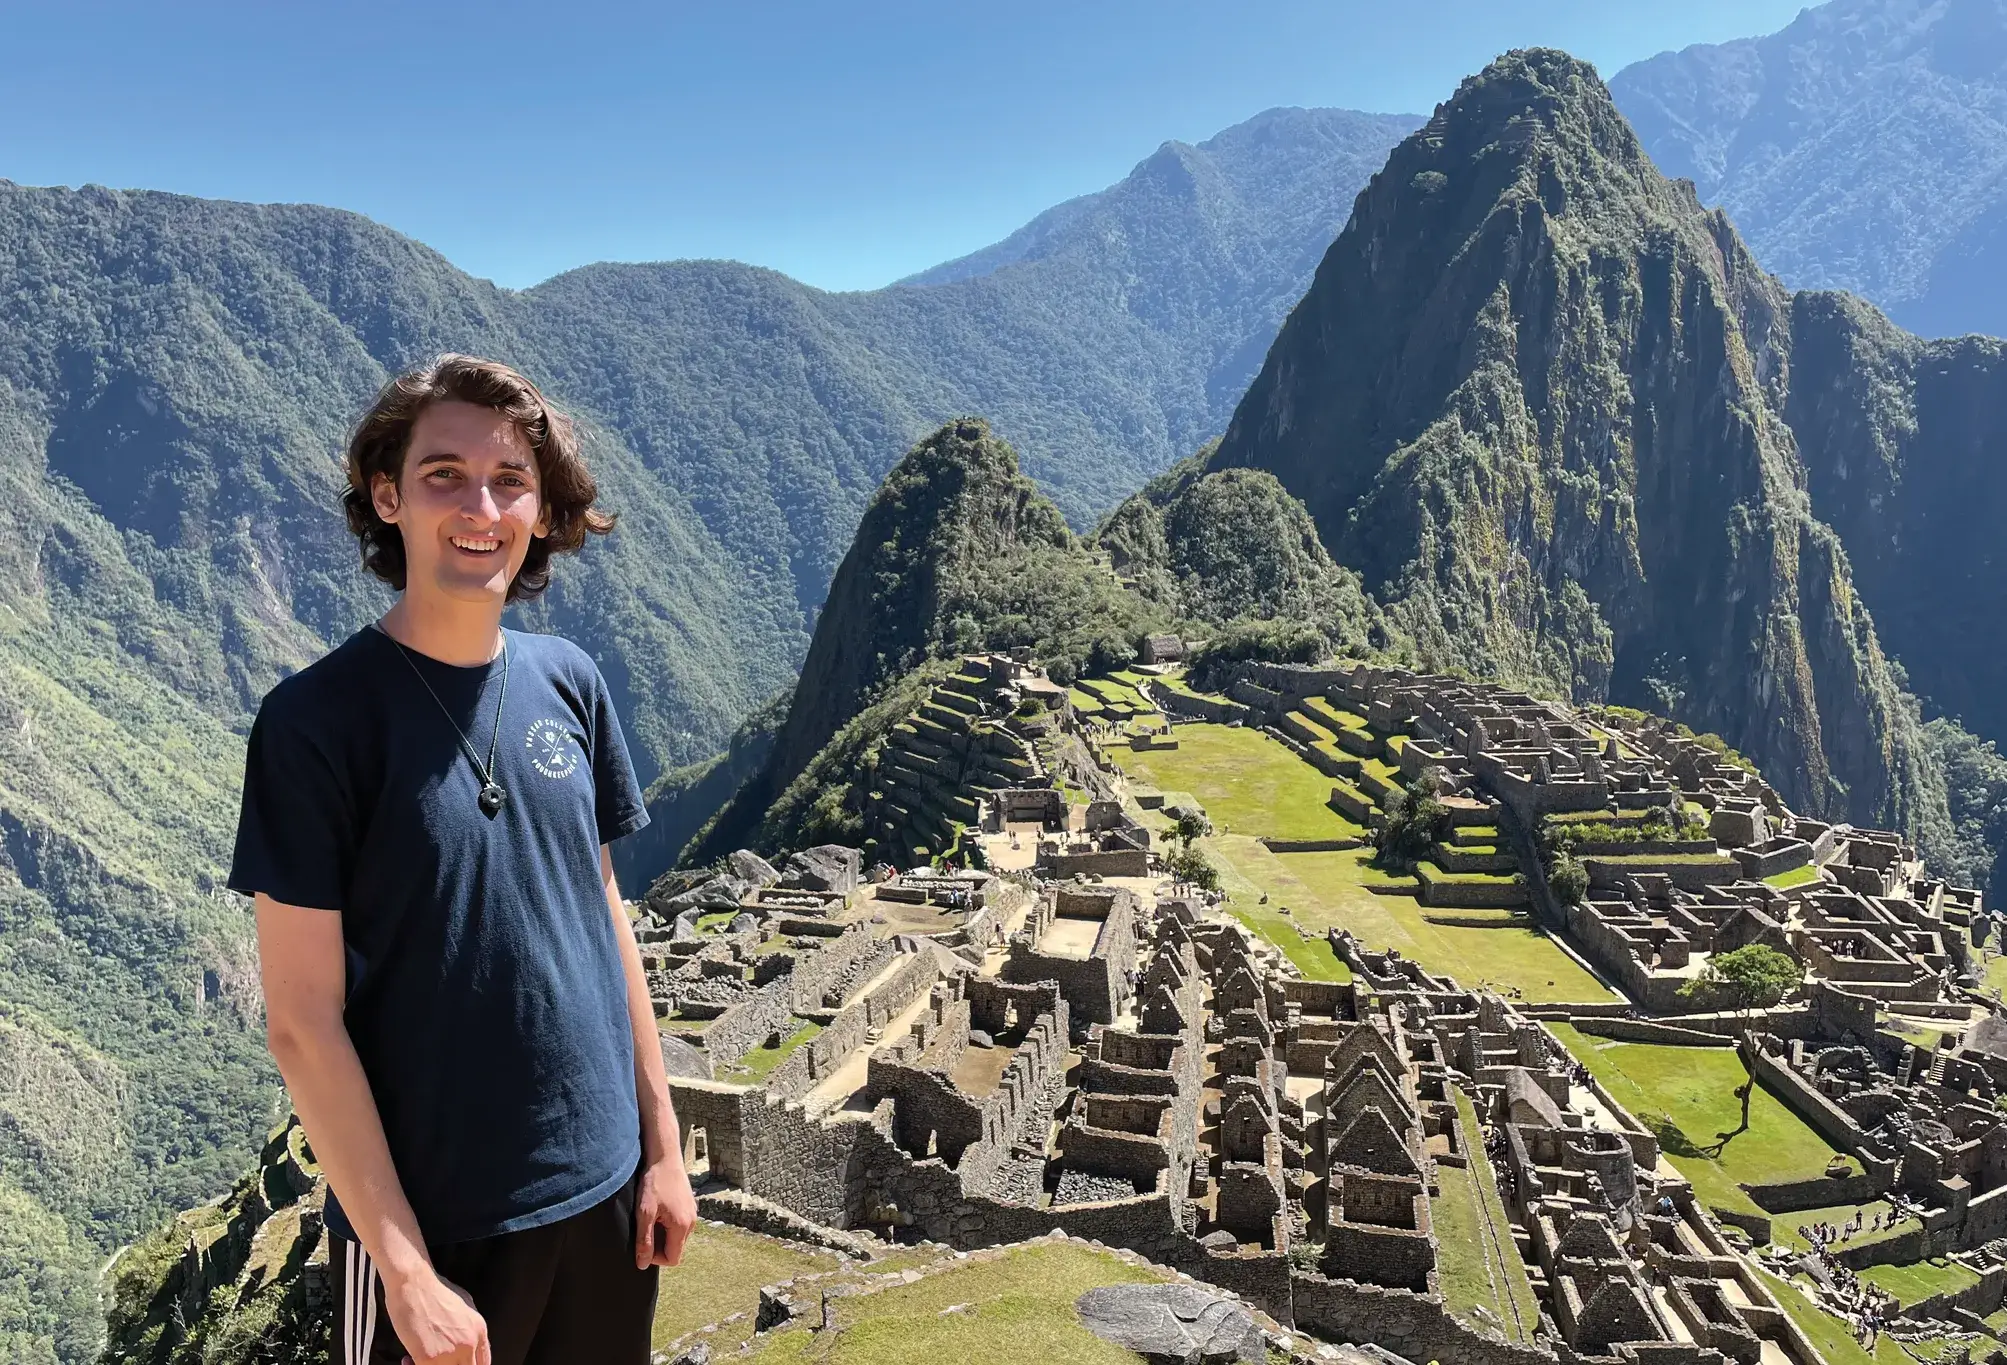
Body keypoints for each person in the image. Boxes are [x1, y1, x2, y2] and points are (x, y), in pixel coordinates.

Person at [233, 356, 696, 1365]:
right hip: (440, 1225)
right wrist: (403, 1270)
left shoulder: (570, 682)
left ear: (540, 509)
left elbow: (604, 912)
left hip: (605, 1189)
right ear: (388, 496)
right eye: (444, 474)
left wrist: (663, 1147)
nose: (480, 506)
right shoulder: (316, 724)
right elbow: (301, 1023)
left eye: (509, 481)